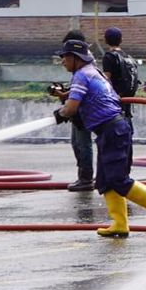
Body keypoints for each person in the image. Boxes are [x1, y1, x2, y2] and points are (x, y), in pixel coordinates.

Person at [51, 36, 146, 238]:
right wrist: (64, 98)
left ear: (75, 57)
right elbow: (81, 98)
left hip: (112, 130)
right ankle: (119, 223)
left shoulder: (82, 75)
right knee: (105, 180)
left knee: (118, 179)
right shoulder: (93, 72)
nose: (62, 61)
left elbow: (72, 108)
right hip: (111, 129)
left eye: (65, 57)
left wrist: (61, 113)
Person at [63, 27, 96, 192]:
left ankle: (86, 178)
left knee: (83, 144)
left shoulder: (85, 64)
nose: (64, 61)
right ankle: (83, 177)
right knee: (77, 143)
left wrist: (65, 110)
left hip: (83, 109)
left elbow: (83, 85)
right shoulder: (85, 61)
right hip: (78, 106)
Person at [99, 26, 139, 123]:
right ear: (121, 40)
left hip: (115, 102)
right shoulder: (128, 57)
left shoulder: (109, 57)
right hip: (128, 98)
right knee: (127, 127)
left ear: (105, 40)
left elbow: (106, 80)